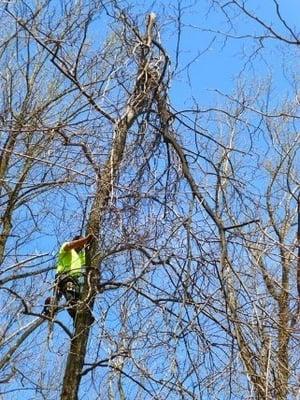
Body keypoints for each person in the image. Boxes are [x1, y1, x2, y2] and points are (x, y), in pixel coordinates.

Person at [43, 234, 93, 322]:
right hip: (64, 277)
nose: (81, 246)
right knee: (71, 296)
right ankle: (56, 306)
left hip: (76, 281)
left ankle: (81, 316)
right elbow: (70, 245)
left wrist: (87, 247)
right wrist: (85, 240)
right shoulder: (66, 248)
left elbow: (87, 263)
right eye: (80, 243)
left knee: (78, 297)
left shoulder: (81, 257)